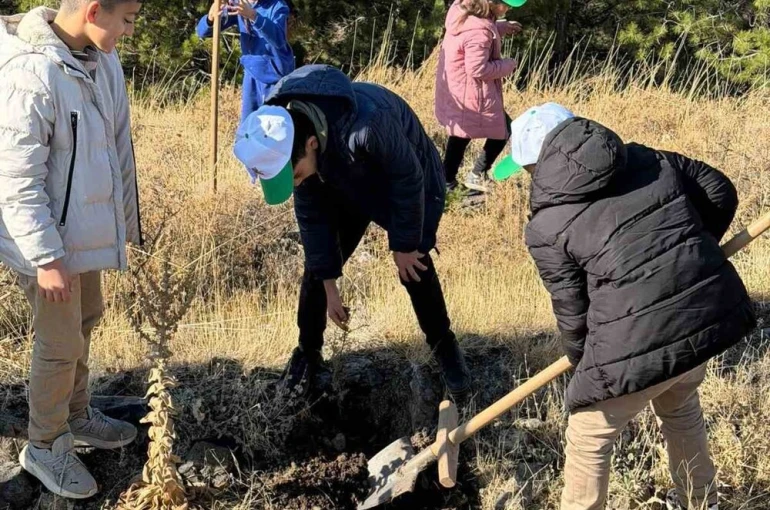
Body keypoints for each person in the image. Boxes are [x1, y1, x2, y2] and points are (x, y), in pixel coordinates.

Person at [505, 103, 756, 510]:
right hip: (701, 313)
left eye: (527, 168)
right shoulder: (648, 159)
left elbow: (572, 310)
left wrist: (584, 363)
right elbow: (719, 191)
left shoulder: (546, 226)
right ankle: (700, 501)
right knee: (680, 404)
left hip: (638, 333)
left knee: (588, 436)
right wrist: (690, 253)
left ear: (540, 163)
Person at [232, 64, 472, 400]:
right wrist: (329, 284)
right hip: (340, 176)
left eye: (295, 175)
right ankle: (308, 353)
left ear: (311, 144)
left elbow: (408, 179)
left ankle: (445, 347)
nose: (296, 183)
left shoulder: (369, 125)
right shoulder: (296, 149)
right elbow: (314, 226)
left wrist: (403, 245)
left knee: (414, 263)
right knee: (317, 268)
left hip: (406, 178)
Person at [0, 0, 144, 500]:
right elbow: (15, 180)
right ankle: (45, 444)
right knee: (59, 342)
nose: (130, 31)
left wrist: (121, 227)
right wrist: (46, 258)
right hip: (44, 247)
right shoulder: (32, 73)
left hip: (81, 235)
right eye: (127, 19)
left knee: (86, 318)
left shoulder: (102, 61)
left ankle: (77, 413)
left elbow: (114, 147)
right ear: (94, 11)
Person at [435, 0, 523, 192]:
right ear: (492, 2)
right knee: (504, 130)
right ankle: (477, 174)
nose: (508, 9)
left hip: (459, 88)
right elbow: (477, 68)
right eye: (506, 5)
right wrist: (508, 65)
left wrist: (500, 27)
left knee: (461, 134)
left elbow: (476, 32)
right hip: (472, 91)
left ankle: (446, 181)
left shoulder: (463, 11)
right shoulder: (480, 31)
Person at [197, 0, 295, 121]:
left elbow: (279, 40)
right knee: (248, 124)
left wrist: (253, 16)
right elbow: (202, 31)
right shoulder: (237, 4)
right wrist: (210, 19)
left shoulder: (277, 6)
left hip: (274, 77)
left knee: (272, 124)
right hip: (251, 73)